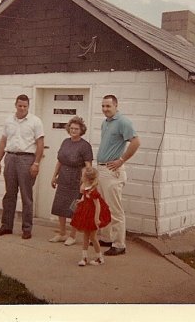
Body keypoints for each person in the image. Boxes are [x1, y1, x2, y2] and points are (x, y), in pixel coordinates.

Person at [0, 94, 44, 239]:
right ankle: (6, 226)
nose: (22, 108)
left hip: (27, 159)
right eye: (20, 105)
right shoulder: (8, 120)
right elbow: (3, 142)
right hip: (10, 158)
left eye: (25, 106)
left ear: (28, 106)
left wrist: (36, 163)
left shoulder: (35, 121)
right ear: (15, 105)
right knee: (9, 195)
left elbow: (40, 144)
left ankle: (27, 228)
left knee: (26, 196)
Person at [96, 94, 140, 256]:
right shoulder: (105, 123)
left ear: (116, 106)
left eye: (108, 106)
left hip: (112, 172)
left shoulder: (123, 122)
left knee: (115, 209)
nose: (105, 109)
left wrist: (121, 160)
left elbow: (136, 142)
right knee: (104, 207)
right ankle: (107, 238)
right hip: (101, 170)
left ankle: (119, 244)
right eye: (103, 106)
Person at [49, 116, 93, 246]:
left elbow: (88, 166)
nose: (73, 130)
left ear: (81, 130)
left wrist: (85, 183)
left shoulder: (85, 146)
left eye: (76, 129)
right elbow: (60, 161)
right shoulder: (65, 142)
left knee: (74, 209)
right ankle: (62, 233)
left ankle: (72, 236)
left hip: (76, 180)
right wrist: (54, 176)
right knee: (60, 206)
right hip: (63, 178)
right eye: (72, 128)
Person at [70, 167, 111, 266]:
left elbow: (98, 206)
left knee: (93, 237)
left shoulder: (93, 191)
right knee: (85, 236)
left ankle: (99, 258)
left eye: (82, 176)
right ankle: (84, 257)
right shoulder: (86, 188)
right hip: (86, 213)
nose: (81, 177)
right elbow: (84, 196)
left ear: (86, 178)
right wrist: (82, 200)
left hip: (92, 216)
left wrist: (96, 219)